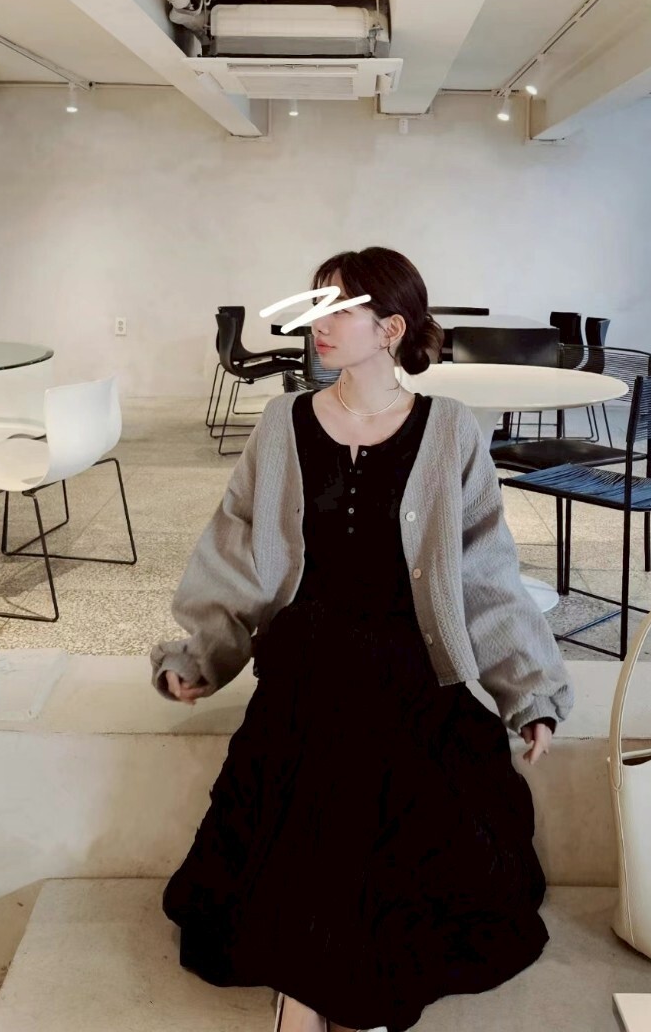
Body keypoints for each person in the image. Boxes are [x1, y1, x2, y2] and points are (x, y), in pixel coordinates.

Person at [150, 246, 574, 1032]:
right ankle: (318, 991)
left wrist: (529, 692)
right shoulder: (281, 425)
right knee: (327, 727)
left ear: (391, 328)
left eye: (339, 306)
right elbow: (236, 550)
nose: (318, 322)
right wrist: (201, 656)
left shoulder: (450, 430)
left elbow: (485, 572)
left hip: (414, 660)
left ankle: (321, 989)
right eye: (315, 304)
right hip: (309, 652)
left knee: (376, 755)